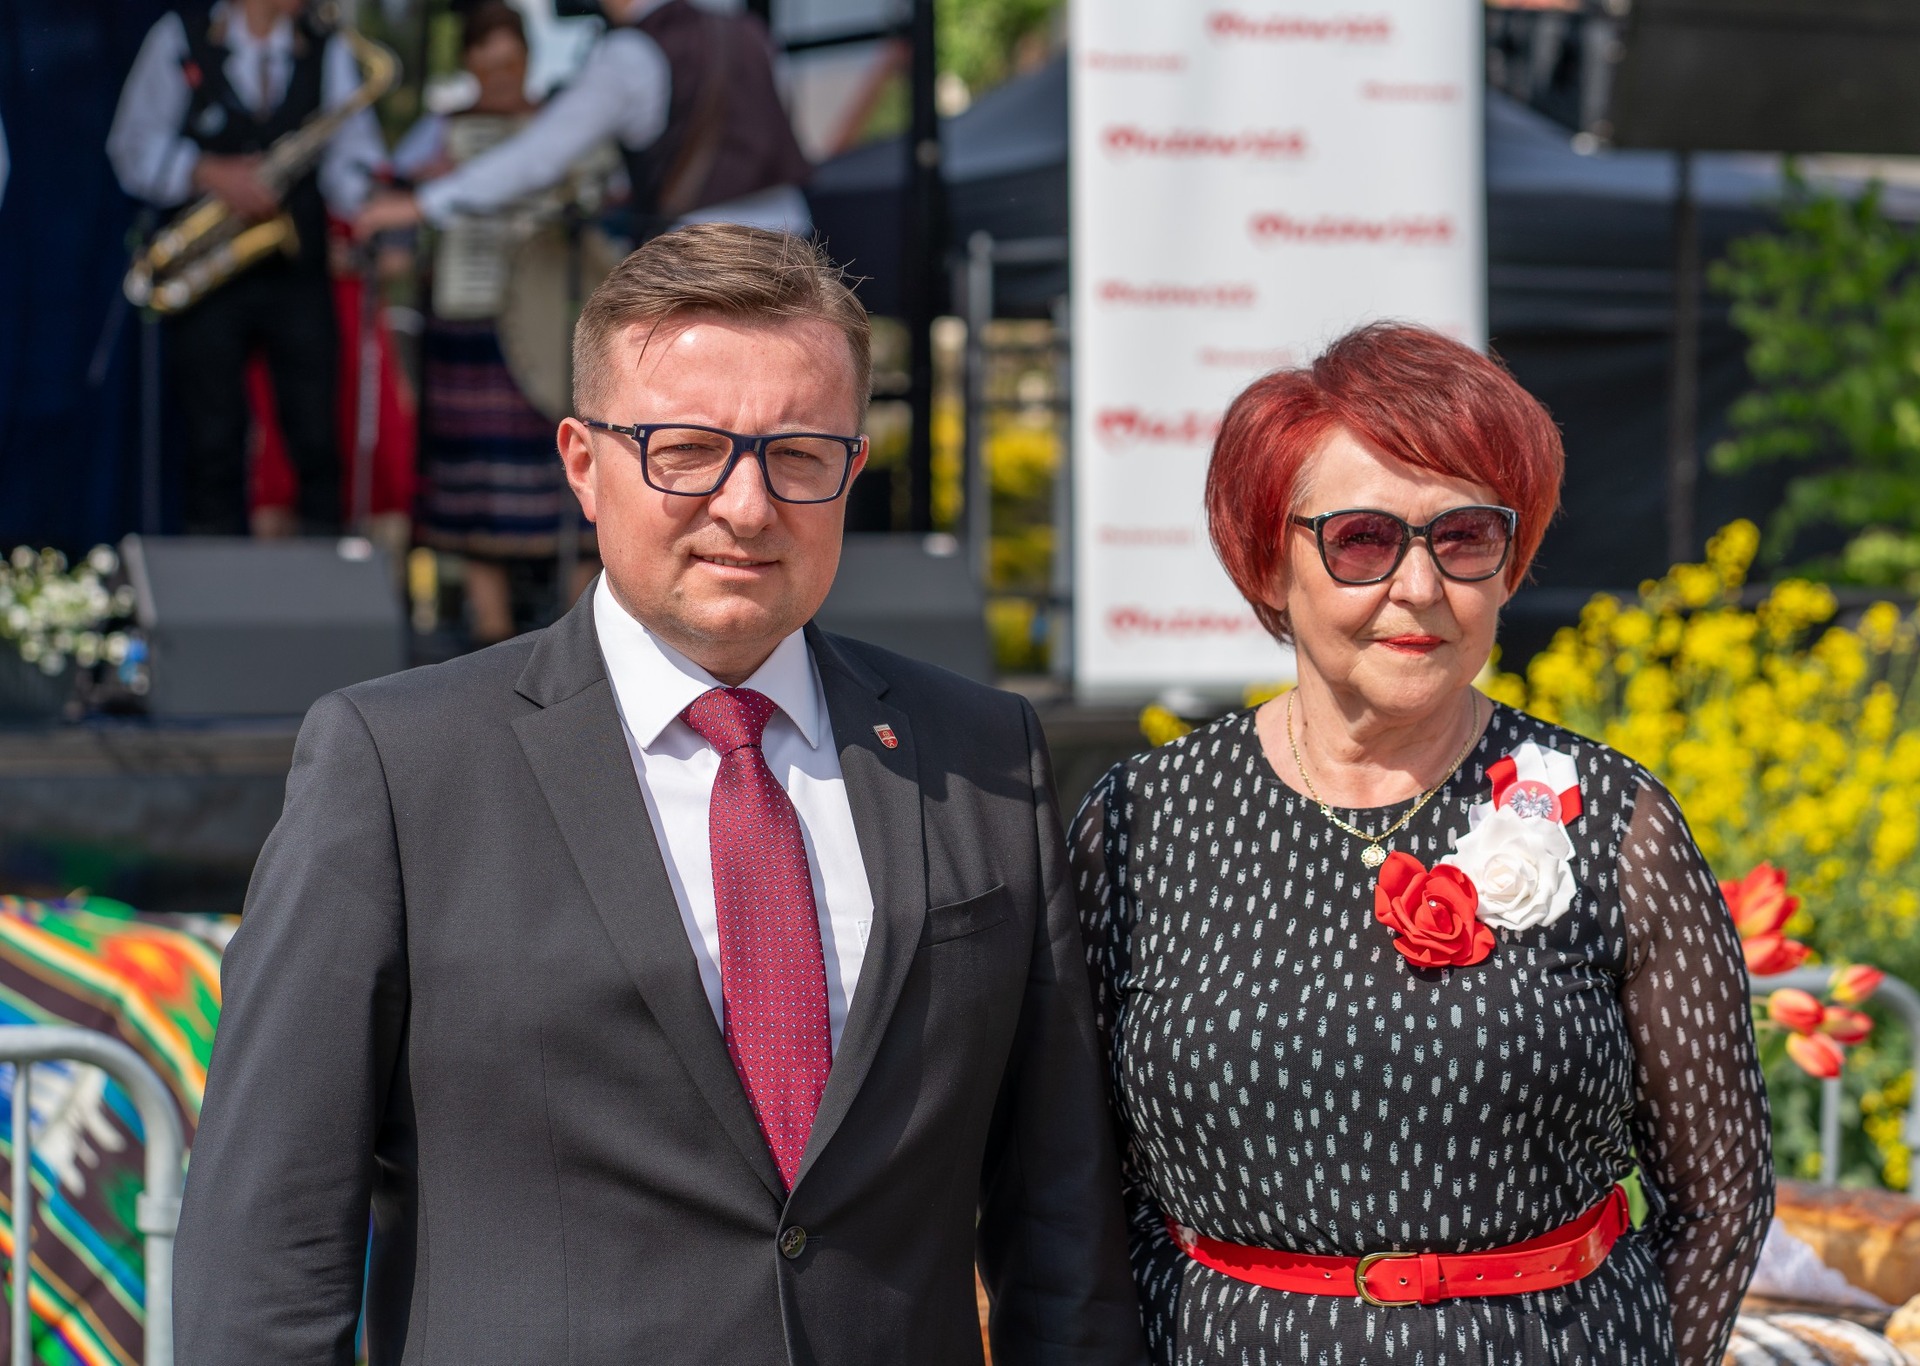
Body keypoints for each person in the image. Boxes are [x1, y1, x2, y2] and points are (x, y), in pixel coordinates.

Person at [174, 224, 1148, 1365]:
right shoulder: (398, 767)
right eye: (685, 450)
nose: (747, 505)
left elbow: (1060, 1232)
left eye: (798, 454)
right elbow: (265, 1248)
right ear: (583, 464)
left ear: (852, 469)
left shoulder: (981, 757)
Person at [1069, 322, 1772, 1366]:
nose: (1418, 586)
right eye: (1362, 539)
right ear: (1268, 560)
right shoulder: (1143, 821)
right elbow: (1067, 1185)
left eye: (1464, 537)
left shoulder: (1615, 820)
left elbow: (1720, 1195)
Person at [107, 0, 386, 536]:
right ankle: (210, 570)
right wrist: (208, 171)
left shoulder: (325, 46)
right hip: (209, 270)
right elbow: (133, 145)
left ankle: (323, 567)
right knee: (211, 436)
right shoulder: (179, 37)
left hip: (296, 269)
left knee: (316, 431)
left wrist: (375, 197)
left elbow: (353, 156)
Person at [391, 1, 593, 642]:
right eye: (487, 67)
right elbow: (392, 196)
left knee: (567, 470)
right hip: (470, 318)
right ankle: (491, 632)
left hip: (546, 318)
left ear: (528, 60)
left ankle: (582, 635)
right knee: (472, 478)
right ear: (468, 67)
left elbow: (599, 197)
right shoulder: (440, 129)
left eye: (510, 65)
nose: (501, 80)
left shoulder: (564, 124)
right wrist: (427, 181)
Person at [352, 0, 811, 244]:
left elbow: (538, 158)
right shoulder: (749, 31)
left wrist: (422, 203)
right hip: (794, 242)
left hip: (705, 254)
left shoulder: (629, 54)